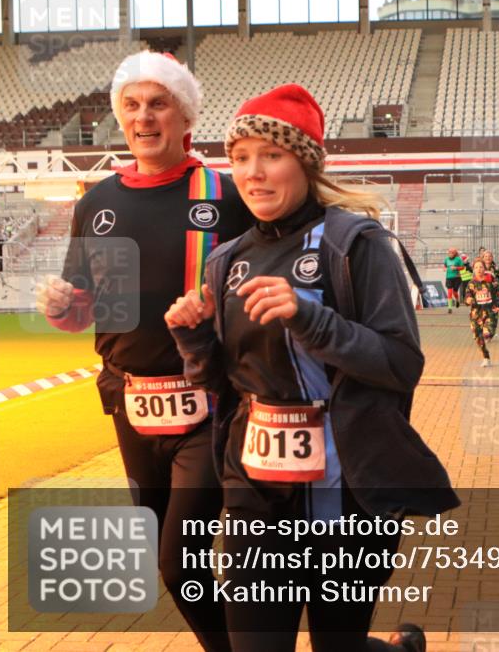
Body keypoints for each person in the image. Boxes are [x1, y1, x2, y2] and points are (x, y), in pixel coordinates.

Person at [165, 84, 458, 652]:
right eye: (242, 157)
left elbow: (401, 364)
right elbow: (220, 386)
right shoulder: (227, 260)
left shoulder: (356, 243)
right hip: (256, 499)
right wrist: (193, 339)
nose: (254, 173)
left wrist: (310, 317)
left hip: (346, 498)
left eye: (271, 155)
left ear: (304, 161)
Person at [34, 51, 252, 651]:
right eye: (131, 105)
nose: (144, 116)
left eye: (158, 103)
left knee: (181, 561)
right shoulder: (95, 203)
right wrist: (60, 307)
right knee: (169, 559)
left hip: (209, 408)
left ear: (185, 116)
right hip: (131, 409)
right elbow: (82, 314)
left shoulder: (227, 196)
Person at [465, 259, 499, 366]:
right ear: (473, 269)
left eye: (481, 267)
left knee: (487, 332)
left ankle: (489, 335)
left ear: (484, 269)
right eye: (476, 267)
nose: (479, 269)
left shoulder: (491, 282)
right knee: (478, 338)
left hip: (490, 313)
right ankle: (486, 357)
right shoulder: (471, 284)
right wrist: (469, 300)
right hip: (476, 314)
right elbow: (467, 297)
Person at [442, 246, 464, 313]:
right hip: (449, 277)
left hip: (457, 278)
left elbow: (463, 267)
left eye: (452, 252)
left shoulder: (458, 259)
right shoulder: (446, 259)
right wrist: (444, 268)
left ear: (455, 253)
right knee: (449, 291)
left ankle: (457, 300)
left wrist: (456, 268)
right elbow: (445, 266)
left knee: (455, 292)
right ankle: (449, 308)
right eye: (449, 252)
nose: (450, 253)